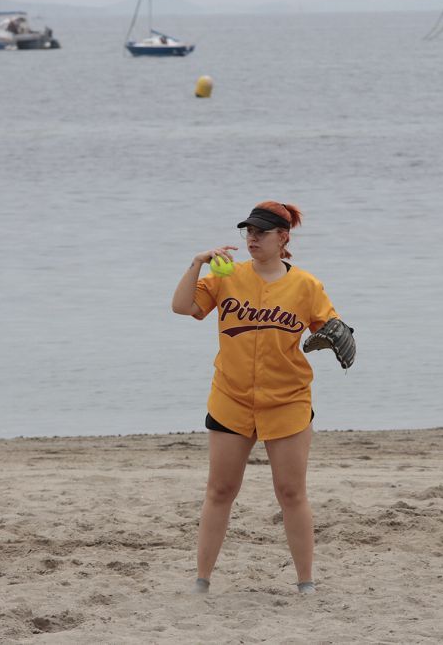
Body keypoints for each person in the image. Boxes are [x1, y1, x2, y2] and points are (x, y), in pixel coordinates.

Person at [171, 201, 343, 595]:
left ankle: (306, 583)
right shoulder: (225, 277)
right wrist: (197, 263)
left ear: (283, 238)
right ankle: (202, 581)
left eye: (261, 233)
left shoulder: (306, 286)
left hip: (287, 401)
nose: (252, 239)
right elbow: (182, 307)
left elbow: (332, 326)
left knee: (291, 492)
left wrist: (336, 335)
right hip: (231, 399)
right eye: (248, 232)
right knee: (220, 490)